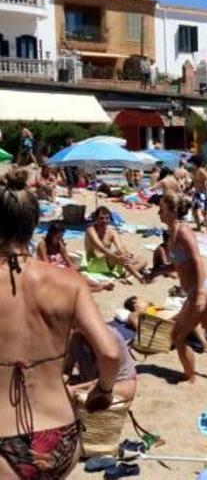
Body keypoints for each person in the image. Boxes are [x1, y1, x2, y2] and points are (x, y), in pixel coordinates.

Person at [0, 168, 120, 478]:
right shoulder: (69, 281)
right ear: (34, 223)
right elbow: (109, 353)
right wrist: (103, 391)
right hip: (60, 434)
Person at [151, 193, 207, 382]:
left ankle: (190, 378)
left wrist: (200, 294)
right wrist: (155, 272)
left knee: (178, 335)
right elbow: (178, 265)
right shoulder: (172, 234)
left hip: (200, 290)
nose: (158, 213)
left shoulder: (184, 231)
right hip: (205, 289)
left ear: (172, 211)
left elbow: (197, 259)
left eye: (162, 209)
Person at [65, 325, 137, 401]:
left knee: (90, 391)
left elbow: (103, 381)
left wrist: (74, 389)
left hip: (118, 384)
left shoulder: (108, 338)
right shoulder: (76, 337)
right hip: (91, 380)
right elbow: (67, 368)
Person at [85, 206, 147, 282]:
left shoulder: (111, 231)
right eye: (101, 218)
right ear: (96, 218)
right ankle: (138, 276)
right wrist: (117, 257)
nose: (104, 221)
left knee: (142, 260)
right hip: (94, 263)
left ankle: (125, 274)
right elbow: (101, 248)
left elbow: (120, 247)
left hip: (109, 261)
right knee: (119, 254)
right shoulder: (91, 230)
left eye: (107, 218)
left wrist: (126, 254)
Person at [190, 155, 207, 233]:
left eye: (192, 162)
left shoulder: (201, 170)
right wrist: (188, 189)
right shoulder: (193, 171)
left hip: (203, 193)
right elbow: (193, 182)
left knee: (204, 212)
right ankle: (198, 227)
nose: (190, 164)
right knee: (194, 211)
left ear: (195, 163)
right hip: (196, 193)